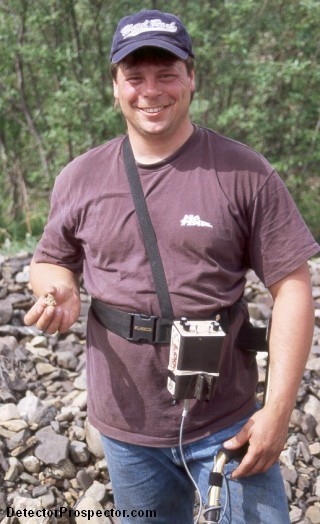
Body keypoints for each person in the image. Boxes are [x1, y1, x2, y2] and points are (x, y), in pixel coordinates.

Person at [24, 9, 319, 524]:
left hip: (228, 419)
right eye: (134, 77)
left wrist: (277, 411)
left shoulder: (244, 172)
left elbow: (293, 287)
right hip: (126, 427)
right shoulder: (80, 177)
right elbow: (51, 258)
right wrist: (57, 287)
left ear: (191, 78)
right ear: (115, 86)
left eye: (166, 74)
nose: (150, 90)